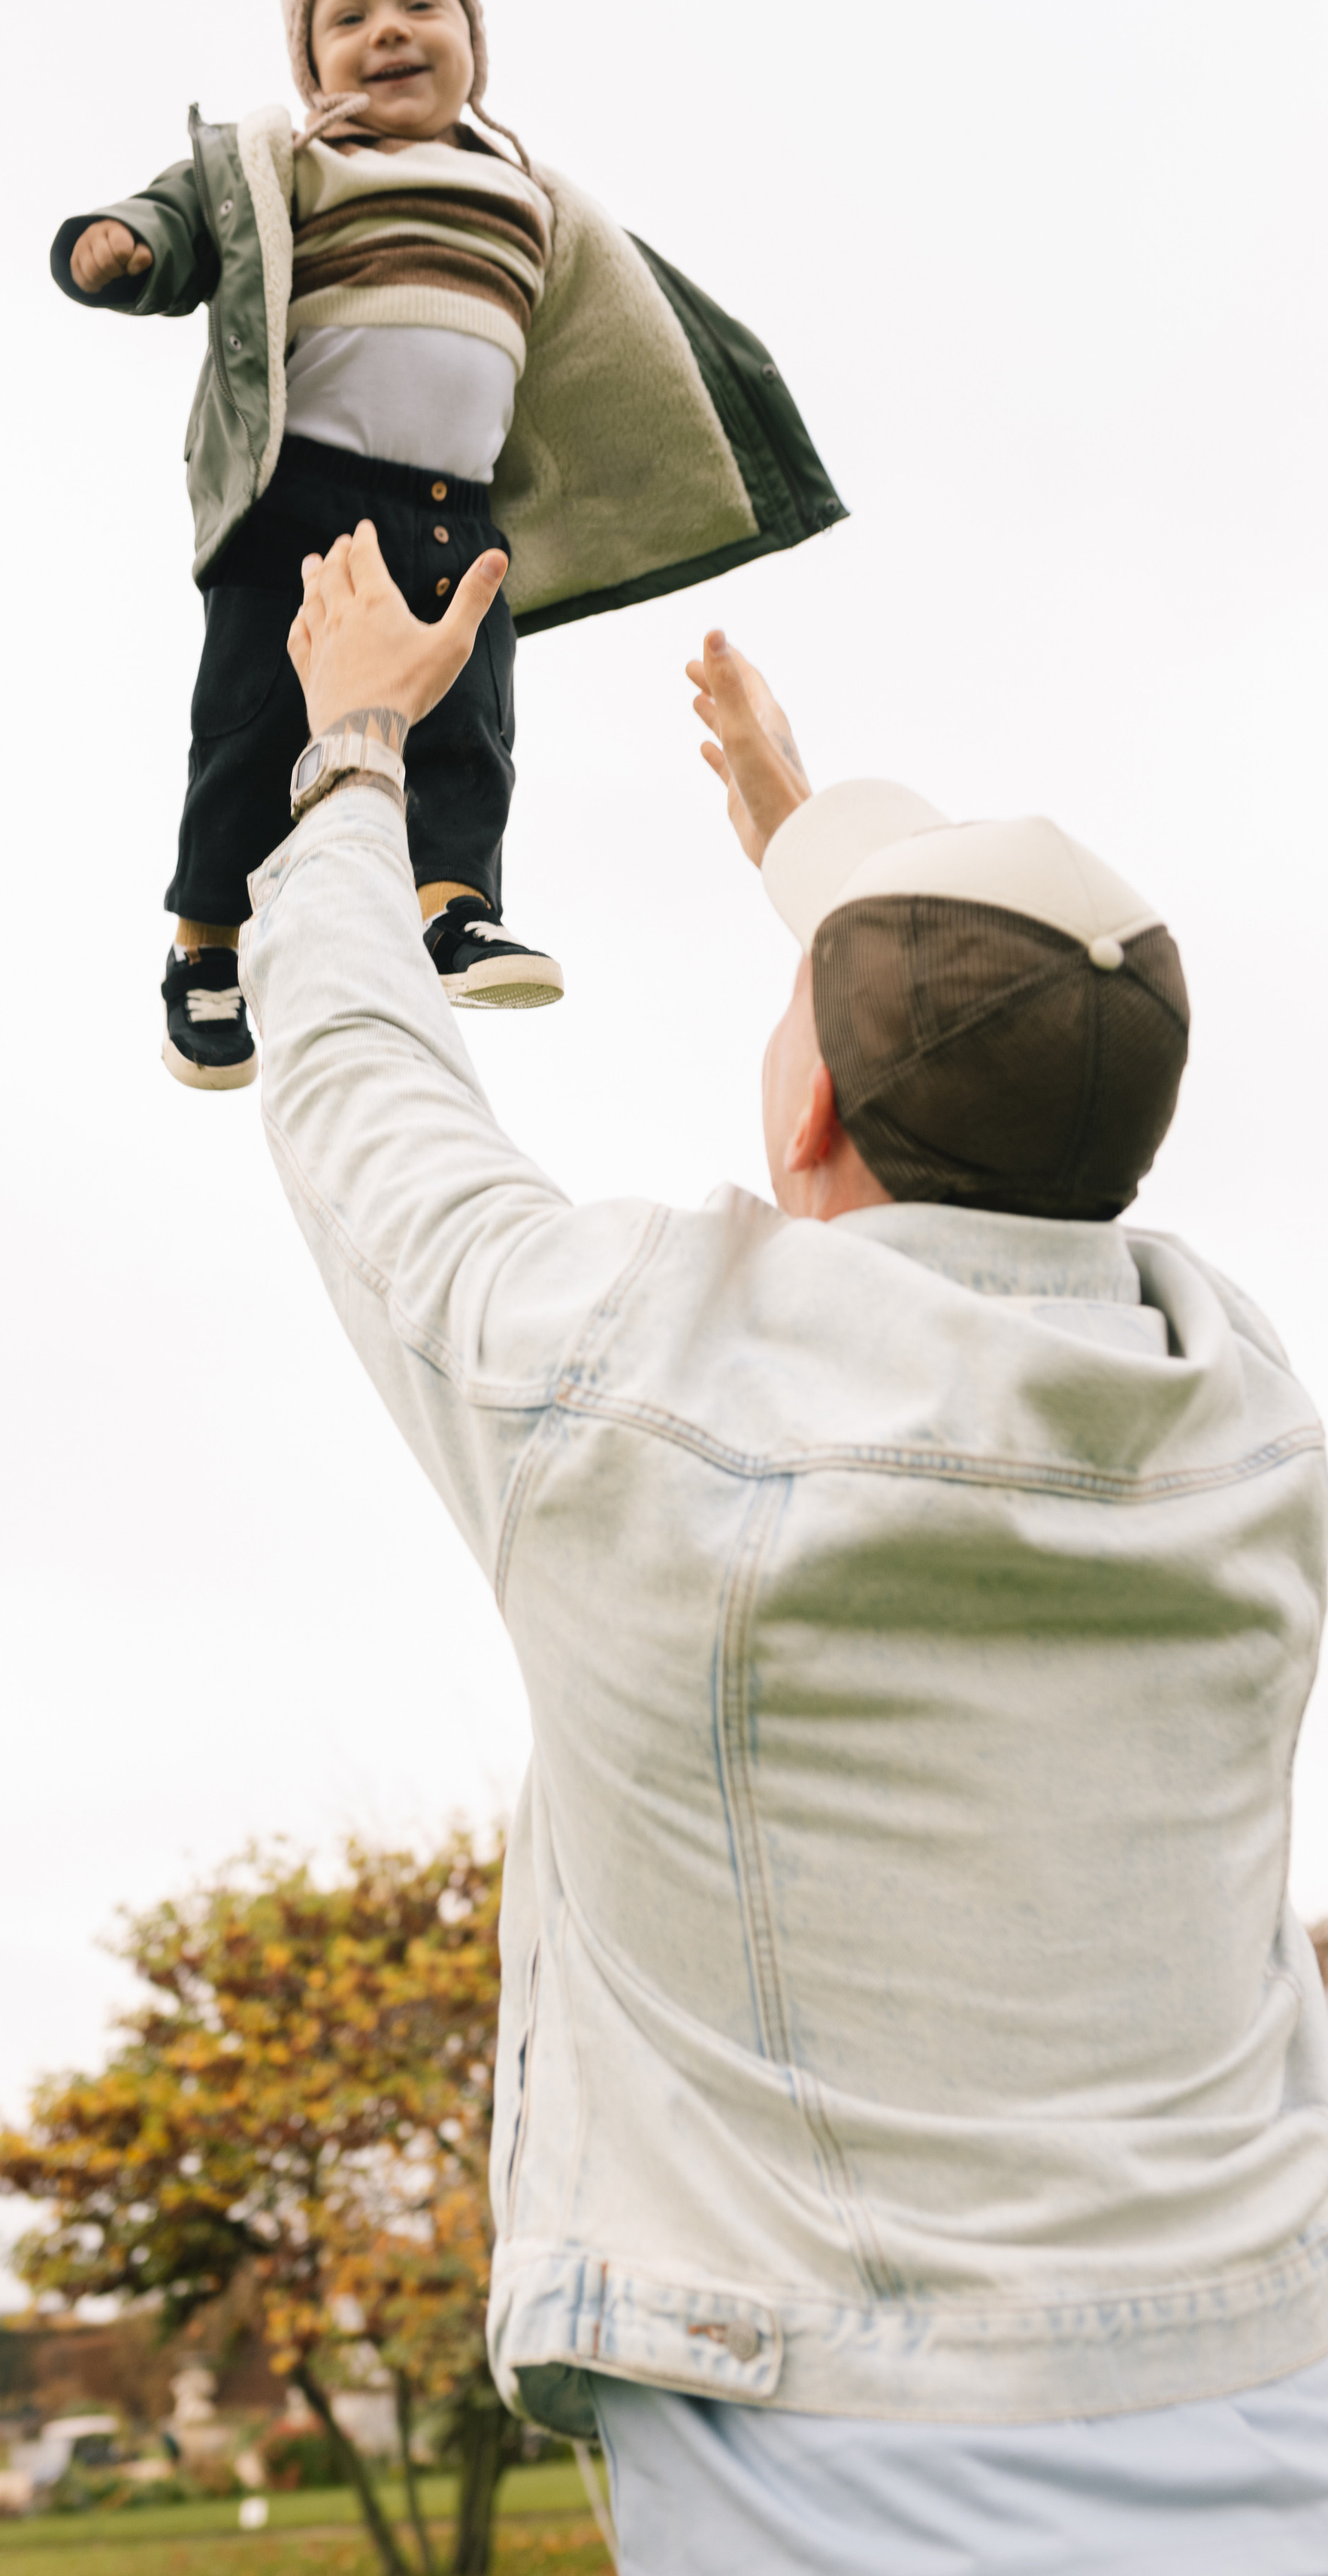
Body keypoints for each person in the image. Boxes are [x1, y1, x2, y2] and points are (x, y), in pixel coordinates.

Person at [238, 523, 1328, 2571]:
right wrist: (816, 850)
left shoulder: (624, 1398)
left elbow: (366, 1091)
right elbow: (1019, 1098)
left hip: (851, 2481)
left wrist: (355, 751)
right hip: (1278, 2420)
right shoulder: (1253, 1428)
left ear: (811, 1085)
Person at [53, 0, 842, 1090]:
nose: (390, 32)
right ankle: (205, 948)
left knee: (468, 720)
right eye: (350, 17)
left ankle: (457, 908)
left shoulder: (531, 190)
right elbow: (191, 215)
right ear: (309, 61)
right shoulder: (292, 162)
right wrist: (129, 243)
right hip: (302, 500)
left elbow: (626, 333)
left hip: (452, 507)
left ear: (473, 39)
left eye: (422, 4)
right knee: (252, 721)